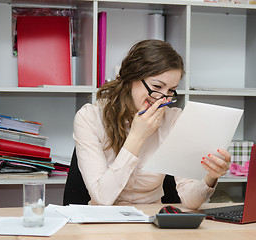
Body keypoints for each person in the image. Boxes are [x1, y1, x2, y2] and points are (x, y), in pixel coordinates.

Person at [73, 39, 231, 209]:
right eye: (157, 86)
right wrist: (136, 136)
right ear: (131, 78)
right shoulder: (89, 117)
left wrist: (210, 177)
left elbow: (190, 200)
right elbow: (103, 198)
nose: (163, 98)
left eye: (170, 90)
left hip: (151, 221)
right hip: (102, 223)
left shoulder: (174, 120)